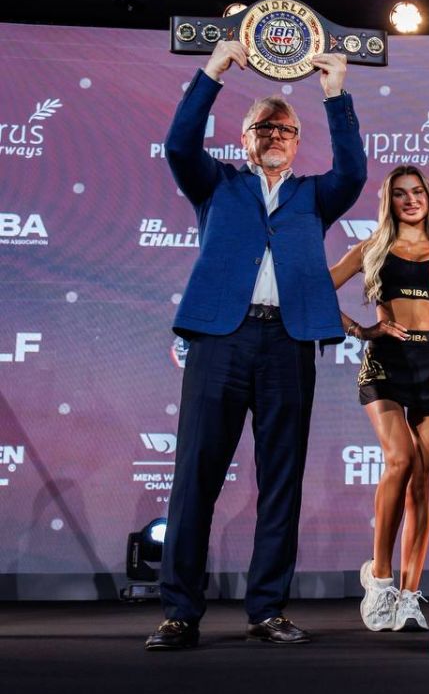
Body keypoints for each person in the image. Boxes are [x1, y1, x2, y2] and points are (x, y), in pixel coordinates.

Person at [146, 41, 367, 650]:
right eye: (264, 127)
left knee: (281, 480)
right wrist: (213, 72)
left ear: (297, 142)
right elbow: (179, 146)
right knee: (195, 476)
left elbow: (353, 172)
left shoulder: (314, 195)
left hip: (287, 343)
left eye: (285, 129)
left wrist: (335, 92)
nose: (275, 135)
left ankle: (266, 609)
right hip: (222, 339)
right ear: (244, 138)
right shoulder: (216, 184)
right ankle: (179, 614)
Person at [329, 165, 429, 632]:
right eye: (401, 194)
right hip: (385, 363)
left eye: (417, 192)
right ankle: (379, 579)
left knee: (421, 479)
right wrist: (361, 330)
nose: (411, 200)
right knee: (400, 459)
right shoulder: (372, 247)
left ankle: (410, 594)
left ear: (428, 198)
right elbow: (317, 288)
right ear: (389, 202)